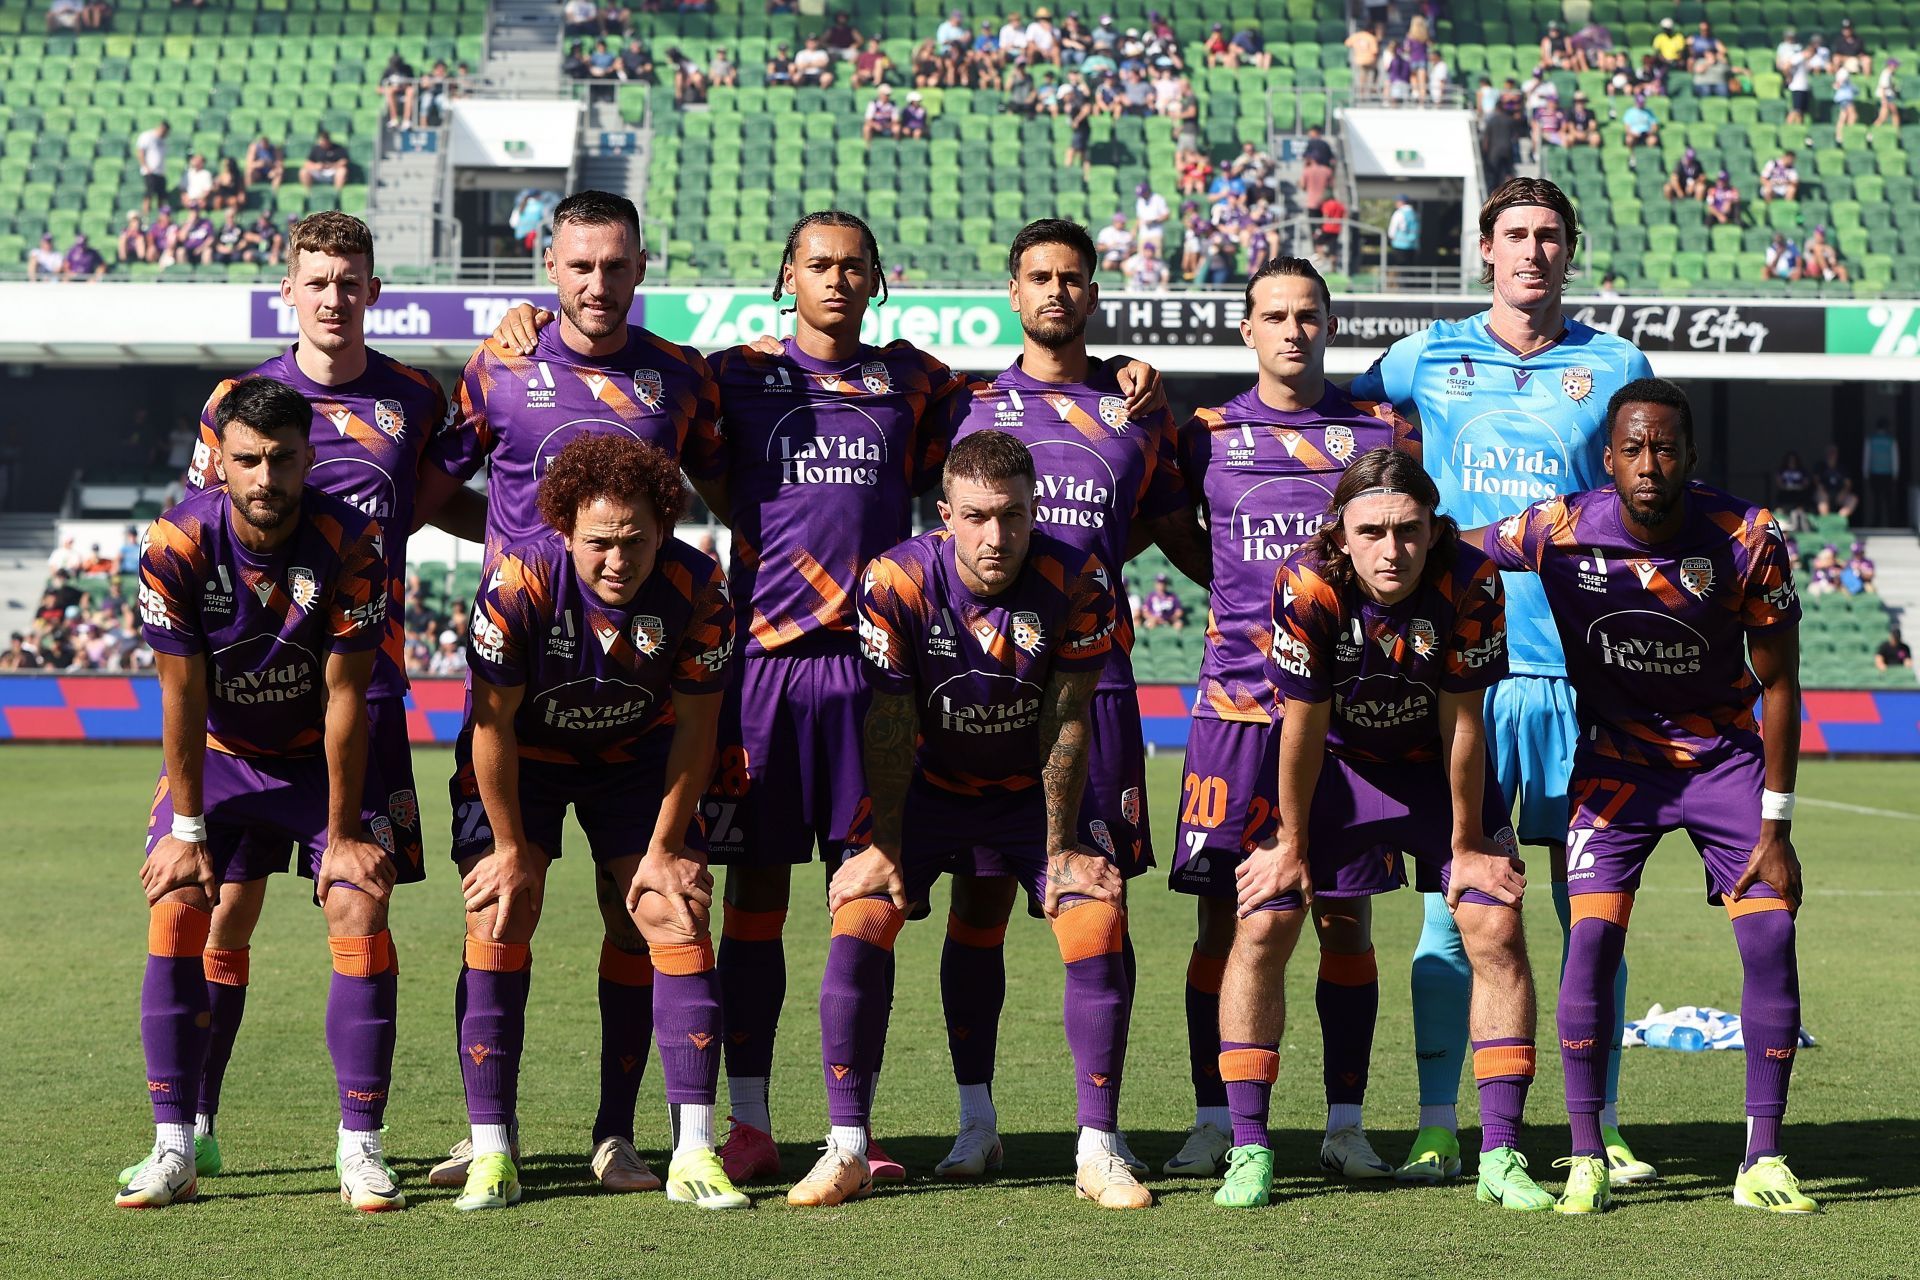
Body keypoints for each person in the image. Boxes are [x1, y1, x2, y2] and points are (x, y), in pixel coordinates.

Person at [484, 210, 1163, 1189]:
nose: (836, 280)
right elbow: (662, 417)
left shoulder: (915, 381)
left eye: (853, 265)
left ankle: (857, 1126)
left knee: (869, 892)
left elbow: (1034, 386)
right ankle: (750, 1119)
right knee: (752, 895)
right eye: (818, 264)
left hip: (880, 675)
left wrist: (1120, 372)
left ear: (876, 278)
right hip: (759, 667)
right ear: (786, 274)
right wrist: (525, 323)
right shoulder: (729, 375)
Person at [1348, 176, 1659, 1189]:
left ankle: (1598, 1122)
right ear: (1486, 249)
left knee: (1592, 911)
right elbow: (1334, 403)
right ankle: (1443, 1121)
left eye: (1550, 235)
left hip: (1583, 677)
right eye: (1515, 234)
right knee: (1453, 906)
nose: (1532, 250)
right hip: (1462, 682)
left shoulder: (1614, 365)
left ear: (1570, 251)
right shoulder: (1426, 354)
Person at [416, 190, 727, 1194]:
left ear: (642, 268)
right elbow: (432, 488)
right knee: (504, 897)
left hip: (637, 695)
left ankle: (622, 1131)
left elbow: (738, 485)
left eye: (617, 265)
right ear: (550, 267)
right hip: (527, 671)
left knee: (648, 904)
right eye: (579, 265)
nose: (598, 284)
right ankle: (488, 1129)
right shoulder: (503, 360)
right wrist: (521, 549)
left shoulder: (680, 377)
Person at [159, 213, 463, 1185]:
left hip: (359, 691)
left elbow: (438, 501)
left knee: (358, 901)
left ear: (376, 289)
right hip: (248, 700)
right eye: (318, 279)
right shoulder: (239, 402)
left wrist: (532, 525)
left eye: (351, 279)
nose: (334, 296)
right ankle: (192, 1122)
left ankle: (359, 1142)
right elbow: (208, 523)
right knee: (221, 913)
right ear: (287, 288)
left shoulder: (413, 395)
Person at [782, 428, 1148, 1211]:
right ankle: (847, 1146)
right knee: (862, 916)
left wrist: (1058, 850)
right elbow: (888, 719)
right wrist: (882, 846)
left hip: (1027, 791)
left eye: (1013, 516)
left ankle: (1098, 1150)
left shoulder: (1077, 577)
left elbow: (1068, 718)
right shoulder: (895, 580)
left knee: (1093, 921)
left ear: (1033, 510)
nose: (997, 536)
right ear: (944, 513)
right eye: (978, 516)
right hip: (925, 788)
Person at [1482, 377, 1814, 1214]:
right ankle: (1587, 1155)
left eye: (1665, 447)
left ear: (1691, 458)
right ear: (1608, 460)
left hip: (1724, 763)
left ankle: (1762, 1159)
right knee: (1589, 942)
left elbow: (1781, 685)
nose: (1649, 463)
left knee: (1770, 935)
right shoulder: (1559, 529)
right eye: (1632, 448)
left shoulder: (1746, 538)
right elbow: (1456, 549)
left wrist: (1778, 825)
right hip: (1616, 766)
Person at [1207, 447, 1542, 1210]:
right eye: (1373, 532)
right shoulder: (1307, 583)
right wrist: (1291, 844)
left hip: (1432, 765)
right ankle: (1250, 1148)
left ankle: (1501, 1154)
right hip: (1330, 765)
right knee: (1262, 924)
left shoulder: (1472, 580)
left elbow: (1465, 723)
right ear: (1341, 533)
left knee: (1493, 923)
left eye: (1409, 531)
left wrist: (1465, 847)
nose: (1394, 551)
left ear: (1433, 527)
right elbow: (1300, 725)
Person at [937, 220, 1201, 1180]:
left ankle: (1103, 1131)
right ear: (1013, 292)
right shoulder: (965, 404)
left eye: (1073, 278)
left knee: (1100, 899)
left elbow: (1164, 528)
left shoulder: (1137, 412)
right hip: (977, 686)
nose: (1057, 291)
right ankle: (976, 1118)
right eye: (1040, 277)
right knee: (978, 903)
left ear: (1094, 294)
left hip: (1100, 681)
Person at [114, 376, 397, 1211]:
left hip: (318, 758)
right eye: (247, 461)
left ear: (309, 459)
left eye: (281, 459)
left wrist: (344, 832)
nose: (265, 477)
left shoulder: (351, 540)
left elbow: (349, 695)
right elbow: (181, 695)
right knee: (176, 902)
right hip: (223, 752)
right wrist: (188, 829)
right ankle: (175, 1148)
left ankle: (361, 1148)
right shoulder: (175, 542)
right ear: (219, 465)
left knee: (357, 901)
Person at [1169, 257, 1421, 1182]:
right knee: (1221, 929)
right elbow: (1174, 527)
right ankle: (1215, 1120)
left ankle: (1346, 1124)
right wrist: (1242, 594)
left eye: (1308, 315)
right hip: (1233, 713)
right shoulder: (1207, 436)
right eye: (1274, 315)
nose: (1292, 330)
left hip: (1348, 723)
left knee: (1345, 922)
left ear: (1330, 324)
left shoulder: (1375, 435)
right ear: (1247, 330)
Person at [448, 432, 744, 1212]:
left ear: (665, 528)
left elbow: (696, 729)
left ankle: (678, 1148)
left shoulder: (698, 587)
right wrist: (511, 849)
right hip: (525, 759)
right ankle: (491, 1147)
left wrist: (665, 847)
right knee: (501, 908)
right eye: (599, 543)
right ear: (563, 531)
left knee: (669, 914)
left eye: (636, 541)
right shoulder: (516, 587)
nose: (618, 560)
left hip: (638, 759)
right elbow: (491, 728)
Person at [1814, 443, 1858, 520]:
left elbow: (1848, 484)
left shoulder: (1842, 468)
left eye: (1834, 452)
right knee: (1822, 497)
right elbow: (1816, 481)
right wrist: (1822, 490)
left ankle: (1838, 520)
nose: (1832, 454)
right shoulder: (1820, 466)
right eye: (1830, 452)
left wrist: (1843, 492)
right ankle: (1826, 521)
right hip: (1824, 493)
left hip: (1839, 494)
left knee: (1853, 499)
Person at [135, 120, 170, 217]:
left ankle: (161, 217)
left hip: (160, 172)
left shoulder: (163, 140)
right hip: (150, 172)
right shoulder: (147, 136)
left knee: (161, 196)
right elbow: (140, 152)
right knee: (149, 194)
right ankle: (146, 216)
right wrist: (145, 167)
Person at [300, 130, 350, 194]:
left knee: (342, 171)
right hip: (319, 171)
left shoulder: (338, 148)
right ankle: (308, 192)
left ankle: (338, 193)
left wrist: (333, 165)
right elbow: (307, 163)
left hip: (333, 171)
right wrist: (316, 166)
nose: (322, 142)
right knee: (303, 171)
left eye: (324, 141)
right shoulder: (316, 149)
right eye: (321, 140)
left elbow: (344, 161)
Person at [379, 52, 417, 128]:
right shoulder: (388, 70)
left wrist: (403, 87)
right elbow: (378, 88)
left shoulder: (407, 69)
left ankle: (407, 120)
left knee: (411, 91)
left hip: (405, 90)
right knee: (389, 91)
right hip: (393, 93)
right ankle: (394, 119)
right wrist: (392, 88)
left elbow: (413, 83)